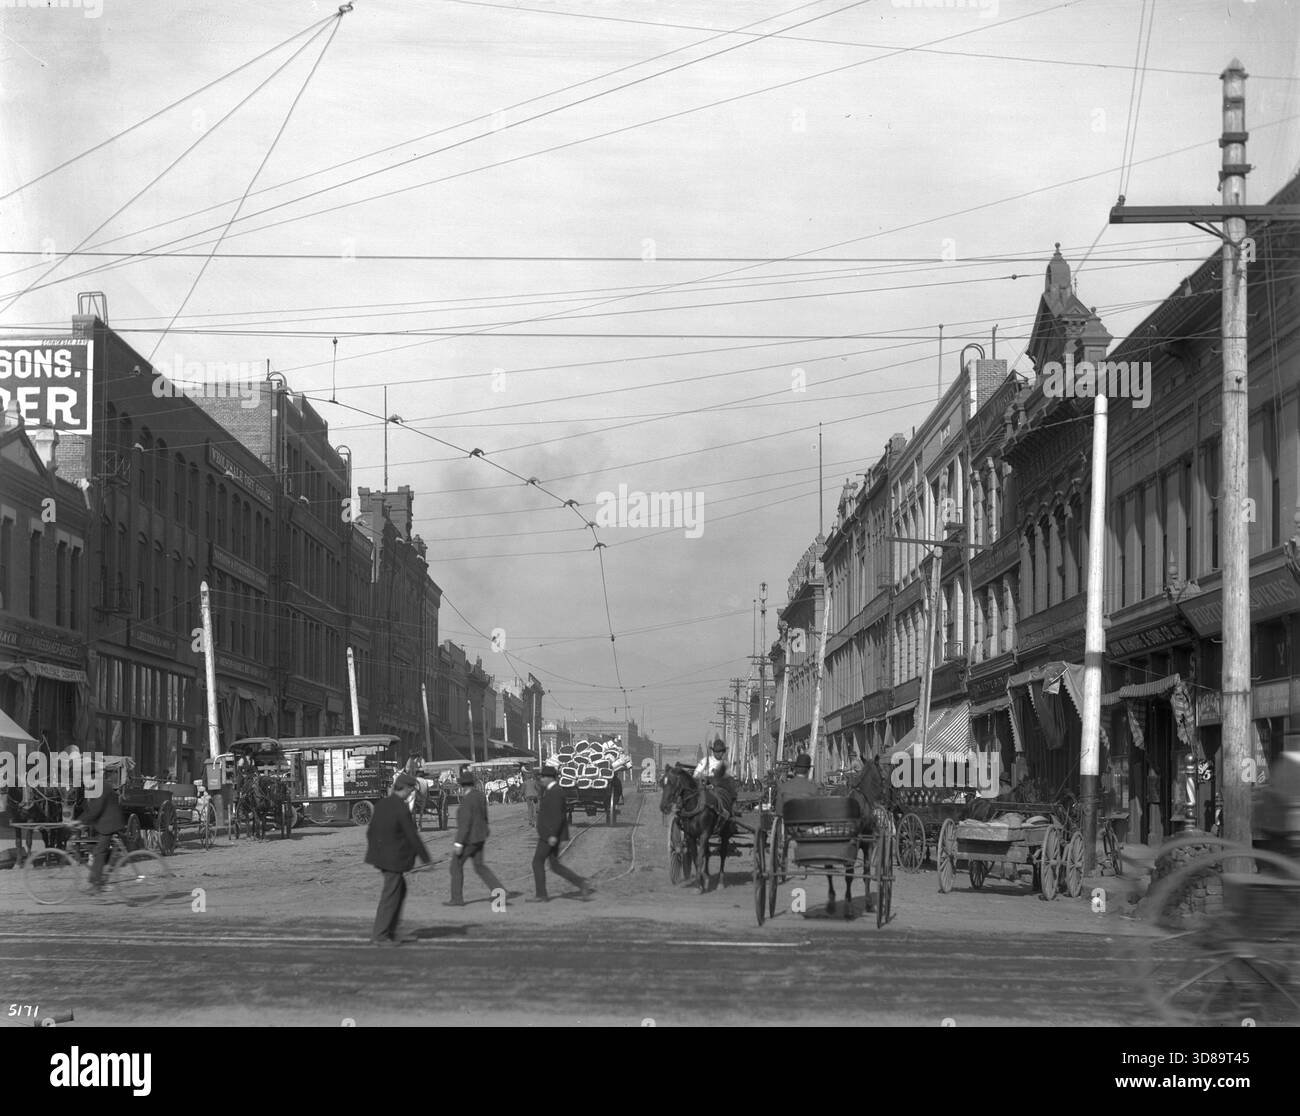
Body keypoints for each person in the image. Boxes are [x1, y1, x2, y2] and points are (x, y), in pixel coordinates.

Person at [364, 773, 431, 945]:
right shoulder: (401, 808)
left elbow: (370, 832)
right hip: (392, 859)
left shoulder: (382, 804)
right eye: (411, 789)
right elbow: (412, 835)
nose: (411, 793)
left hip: (381, 856)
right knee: (391, 895)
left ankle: (389, 932)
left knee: (399, 891)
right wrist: (426, 858)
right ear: (406, 788)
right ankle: (380, 935)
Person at [447, 768, 510, 906]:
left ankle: (457, 899)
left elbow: (465, 824)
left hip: (469, 839)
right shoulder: (480, 796)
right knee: (479, 866)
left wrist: (458, 843)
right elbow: (484, 815)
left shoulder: (467, 800)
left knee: (455, 866)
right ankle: (500, 891)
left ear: (462, 786)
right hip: (480, 836)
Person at [529, 766, 592, 902]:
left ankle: (541, 895)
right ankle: (581, 883)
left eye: (543, 777)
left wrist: (552, 834)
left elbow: (558, 816)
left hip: (550, 835)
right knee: (554, 865)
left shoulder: (556, 792)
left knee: (537, 862)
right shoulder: (551, 790)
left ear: (550, 777)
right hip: (549, 834)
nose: (542, 779)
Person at [79, 763, 127, 892]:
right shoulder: (97, 786)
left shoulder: (101, 787)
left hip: (110, 823)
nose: (83, 781)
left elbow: (96, 809)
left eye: (84, 777)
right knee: (97, 851)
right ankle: (96, 880)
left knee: (99, 852)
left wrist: (80, 822)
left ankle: (97, 884)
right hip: (105, 822)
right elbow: (89, 808)